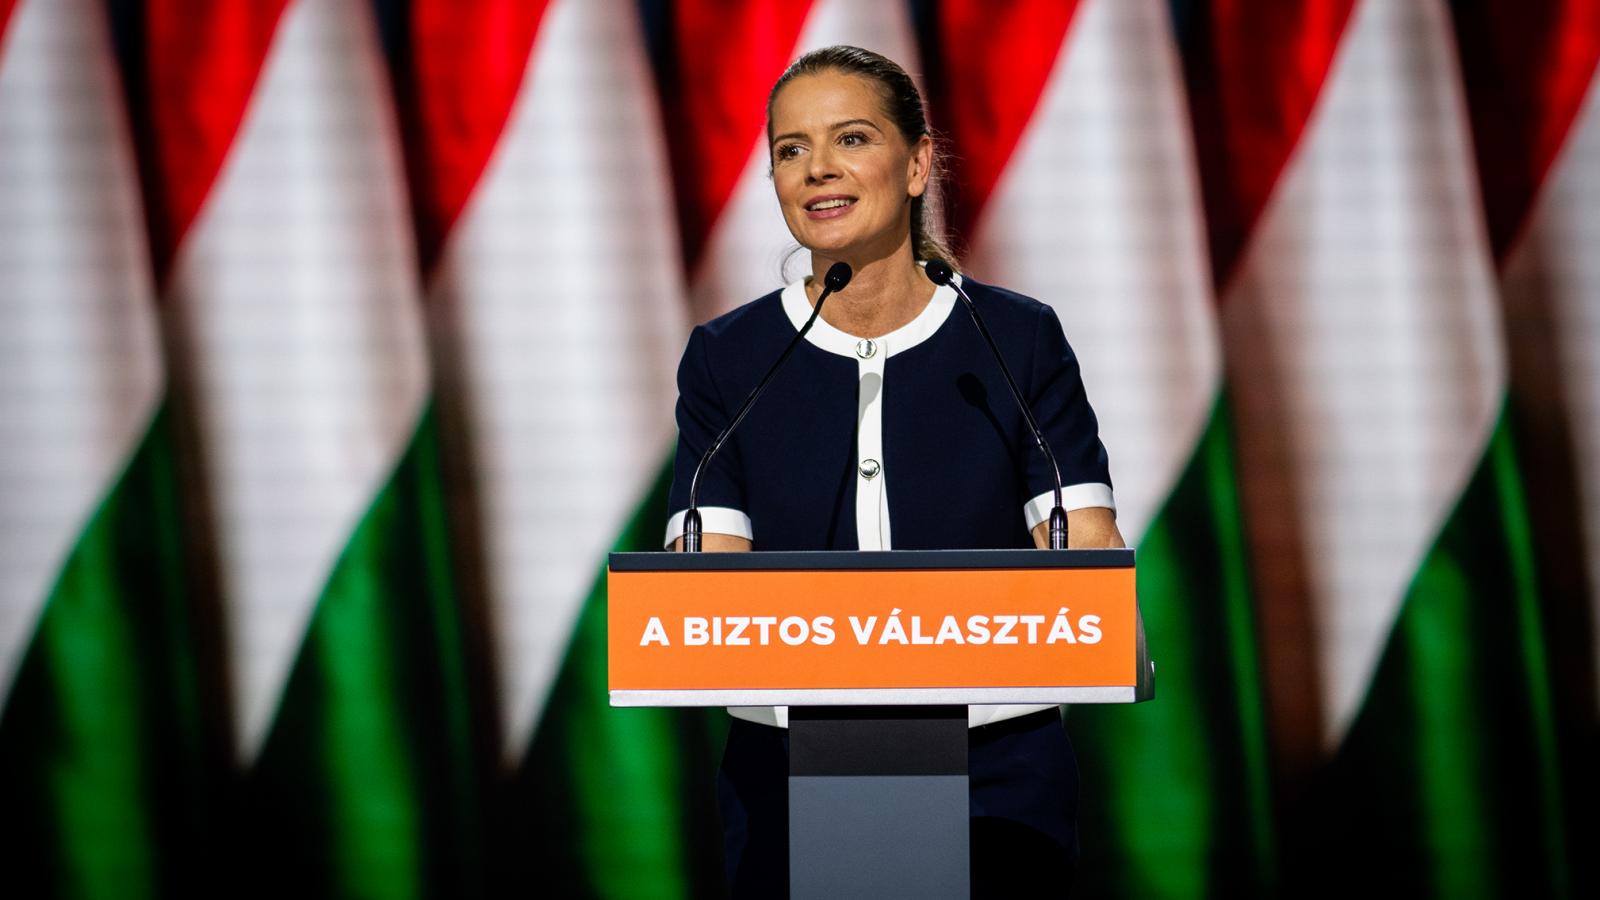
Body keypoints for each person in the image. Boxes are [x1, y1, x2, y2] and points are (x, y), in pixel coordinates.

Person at [664, 45, 1124, 898]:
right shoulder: (731, 358)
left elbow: (1085, 559)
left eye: (851, 138)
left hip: (995, 769)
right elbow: (707, 590)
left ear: (916, 166)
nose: (817, 168)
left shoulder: (1014, 339)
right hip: (790, 770)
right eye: (791, 149)